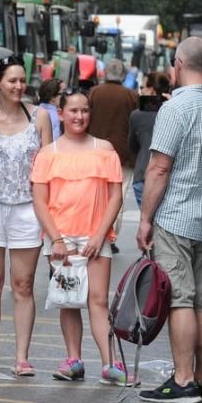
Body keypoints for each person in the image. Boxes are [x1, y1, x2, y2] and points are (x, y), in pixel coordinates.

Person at [137, 37, 202, 403]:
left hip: (177, 216)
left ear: (178, 64)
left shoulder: (175, 110)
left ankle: (182, 381)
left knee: (180, 299)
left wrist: (145, 218)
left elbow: (160, 167)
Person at [31, 88, 128, 386]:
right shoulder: (48, 154)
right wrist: (56, 239)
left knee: (98, 300)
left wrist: (100, 235)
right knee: (69, 300)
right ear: (60, 114)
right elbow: (39, 199)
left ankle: (110, 363)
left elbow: (115, 197)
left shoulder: (105, 149)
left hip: (95, 236)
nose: (79, 116)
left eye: (84, 110)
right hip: (60, 237)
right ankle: (73, 359)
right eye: (73, 110)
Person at [0, 55, 53, 376]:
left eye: (22, 80)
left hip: (28, 208)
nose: (19, 86)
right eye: (12, 80)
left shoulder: (39, 117)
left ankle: (22, 357)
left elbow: (51, 167)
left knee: (22, 285)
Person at [88, 58, 138, 254]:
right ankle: (110, 236)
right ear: (123, 75)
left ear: (105, 73)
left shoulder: (94, 93)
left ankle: (95, 230)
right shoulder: (131, 96)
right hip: (123, 154)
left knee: (95, 193)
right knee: (118, 196)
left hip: (95, 151)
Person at [128, 71, 172, 207]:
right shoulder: (174, 112)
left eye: (142, 87)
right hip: (169, 177)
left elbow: (132, 147)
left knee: (147, 222)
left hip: (143, 175)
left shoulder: (136, 115)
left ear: (152, 90)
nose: (140, 90)